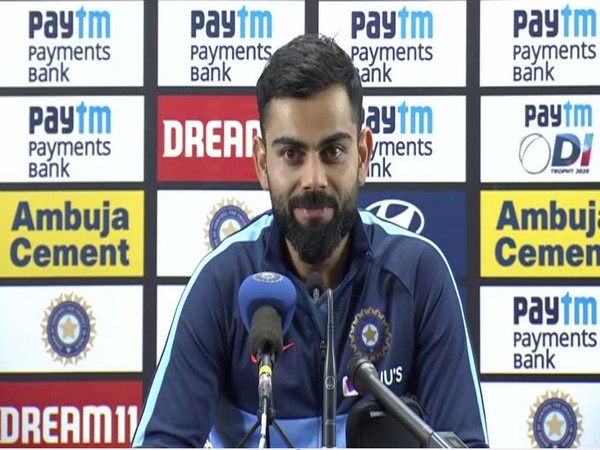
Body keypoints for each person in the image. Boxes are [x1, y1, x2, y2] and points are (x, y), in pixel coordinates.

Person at [132, 33, 488, 448]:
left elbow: (465, 445)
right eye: (292, 155)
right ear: (262, 163)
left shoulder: (418, 274)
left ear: (363, 155)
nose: (313, 180)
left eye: (333, 152)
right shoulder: (223, 283)